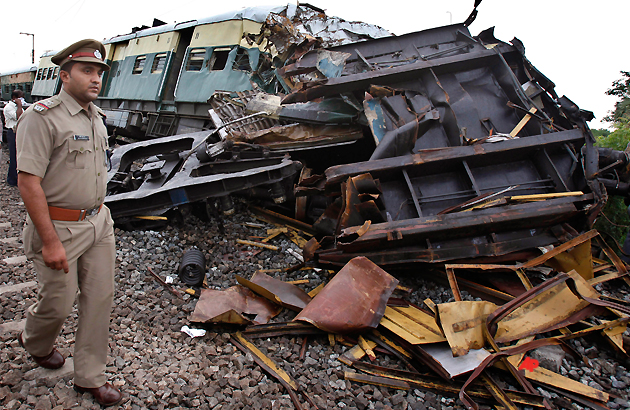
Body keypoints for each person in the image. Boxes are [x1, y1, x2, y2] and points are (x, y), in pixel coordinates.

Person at [15, 39, 121, 407]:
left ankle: (89, 377)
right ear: (65, 75)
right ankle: (35, 340)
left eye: (99, 73)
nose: (95, 79)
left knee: (99, 299)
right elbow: (28, 182)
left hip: (98, 223)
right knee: (58, 304)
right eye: (86, 71)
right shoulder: (42, 117)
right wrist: (49, 240)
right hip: (59, 227)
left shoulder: (96, 117)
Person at [3, 89, 24, 186]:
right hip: (12, 132)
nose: (22, 99)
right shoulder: (8, 107)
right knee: (13, 155)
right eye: (20, 97)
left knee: (19, 155)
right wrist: (19, 105)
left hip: (19, 131)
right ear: (14, 98)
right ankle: (12, 179)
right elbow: (18, 116)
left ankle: (17, 178)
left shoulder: (18, 107)